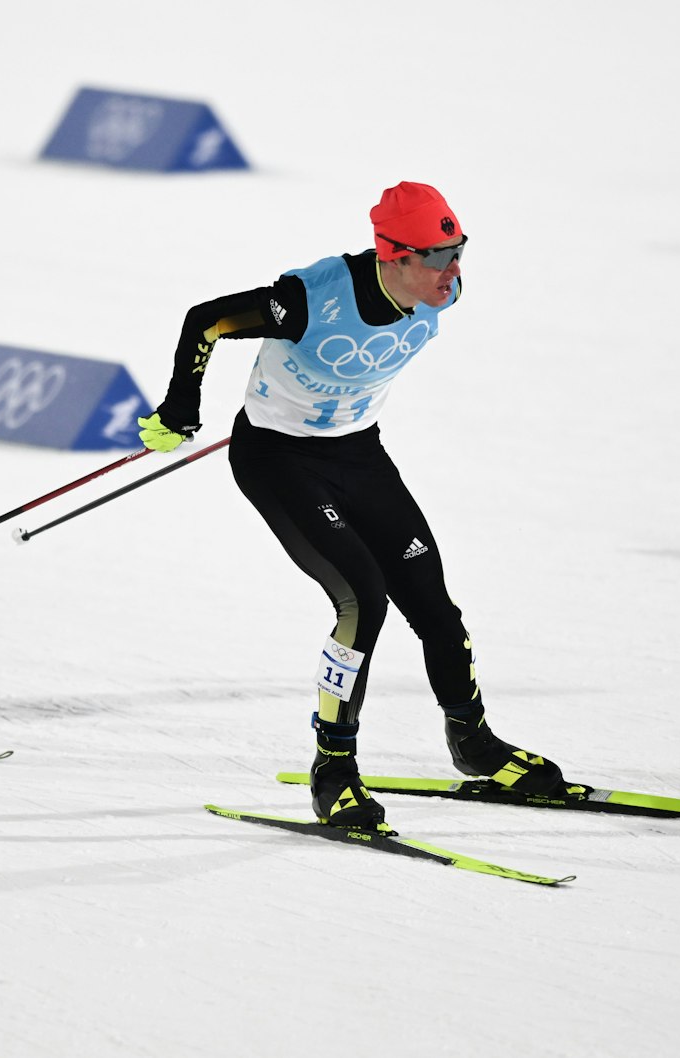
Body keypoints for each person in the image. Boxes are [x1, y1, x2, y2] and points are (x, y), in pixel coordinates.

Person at [136, 181, 567, 830]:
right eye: (438, 257)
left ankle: (474, 743)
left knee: (434, 605)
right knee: (362, 599)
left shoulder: (442, 289)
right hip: (278, 460)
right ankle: (333, 769)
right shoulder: (310, 300)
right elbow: (208, 320)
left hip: (357, 453)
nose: (453, 270)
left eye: (459, 251)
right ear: (394, 256)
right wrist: (180, 406)